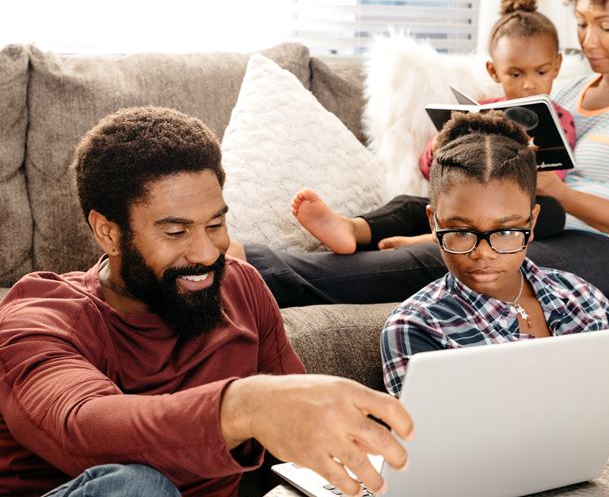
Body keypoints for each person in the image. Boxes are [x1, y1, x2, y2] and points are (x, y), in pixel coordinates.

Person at [244, 0, 609, 305]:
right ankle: (346, 235)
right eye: (583, 24)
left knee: (466, 254)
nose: (588, 41)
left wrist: (562, 195)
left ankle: (257, 272)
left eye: (606, 27)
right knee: (420, 204)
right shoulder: (564, 93)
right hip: (528, 218)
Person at [0, 107, 413, 497]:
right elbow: (84, 429)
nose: (207, 253)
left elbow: (300, 433)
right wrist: (247, 406)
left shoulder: (242, 288)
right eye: (176, 233)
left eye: (215, 224)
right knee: (139, 486)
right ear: (107, 232)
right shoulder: (39, 315)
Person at [380, 110, 609, 443]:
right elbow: (437, 455)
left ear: (532, 222)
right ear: (433, 222)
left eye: (507, 231)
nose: (484, 253)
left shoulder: (584, 300)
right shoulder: (416, 327)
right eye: (461, 231)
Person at [290, 0, 575, 255]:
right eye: (515, 74)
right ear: (493, 71)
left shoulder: (561, 119)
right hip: (465, 198)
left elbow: (555, 179)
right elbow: (430, 171)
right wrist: (437, 146)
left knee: (552, 212)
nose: (528, 85)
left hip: (511, 209)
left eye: (540, 72)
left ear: (558, 66)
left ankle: (425, 241)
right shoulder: (479, 111)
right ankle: (351, 228)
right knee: (409, 206)